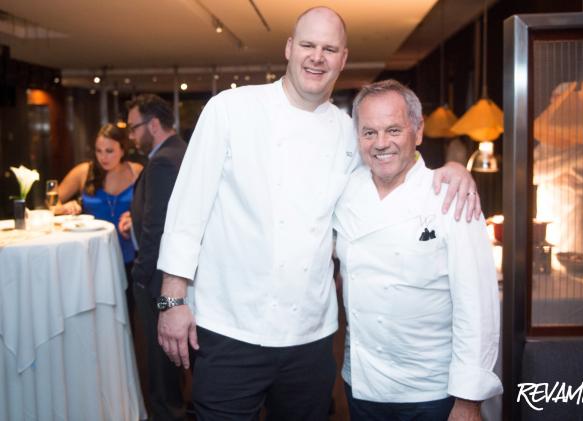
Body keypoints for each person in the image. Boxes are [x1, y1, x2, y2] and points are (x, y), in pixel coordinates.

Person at [155, 7, 482, 420]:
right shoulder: (230, 109)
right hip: (228, 328)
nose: (317, 57)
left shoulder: (349, 131)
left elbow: (391, 171)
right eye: (308, 45)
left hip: (310, 338)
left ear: (342, 60)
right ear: (290, 48)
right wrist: (172, 299)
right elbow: (188, 207)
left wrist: (449, 171)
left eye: (330, 49)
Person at [334, 79, 502, 420]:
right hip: (363, 384)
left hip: (432, 390)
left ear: (418, 131)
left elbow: (477, 304)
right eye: (369, 133)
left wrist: (468, 400)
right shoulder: (345, 191)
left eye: (393, 129)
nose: (381, 143)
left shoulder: (449, 194)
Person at [118, 94, 188, 421]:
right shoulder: (177, 152)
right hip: (170, 277)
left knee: (161, 366)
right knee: (171, 360)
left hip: (160, 281)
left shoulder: (164, 160)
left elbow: (158, 228)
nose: (132, 136)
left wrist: (141, 277)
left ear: (154, 124)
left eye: (134, 128)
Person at [56, 123, 143, 319]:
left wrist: (135, 216)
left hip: (128, 257)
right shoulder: (83, 171)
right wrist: (67, 207)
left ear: (122, 150)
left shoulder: (136, 171)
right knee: (93, 316)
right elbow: (52, 203)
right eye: (99, 151)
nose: (104, 157)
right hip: (90, 258)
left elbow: (153, 209)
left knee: (125, 315)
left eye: (110, 151)